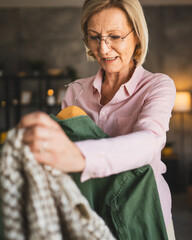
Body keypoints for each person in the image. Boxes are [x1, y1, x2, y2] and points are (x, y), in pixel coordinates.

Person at [18, 0, 176, 239]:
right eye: (94, 37)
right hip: (88, 216)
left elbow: (148, 142)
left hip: (142, 214)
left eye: (114, 36)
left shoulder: (157, 85)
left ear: (137, 36)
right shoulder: (75, 91)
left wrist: (80, 157)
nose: (103, 49)